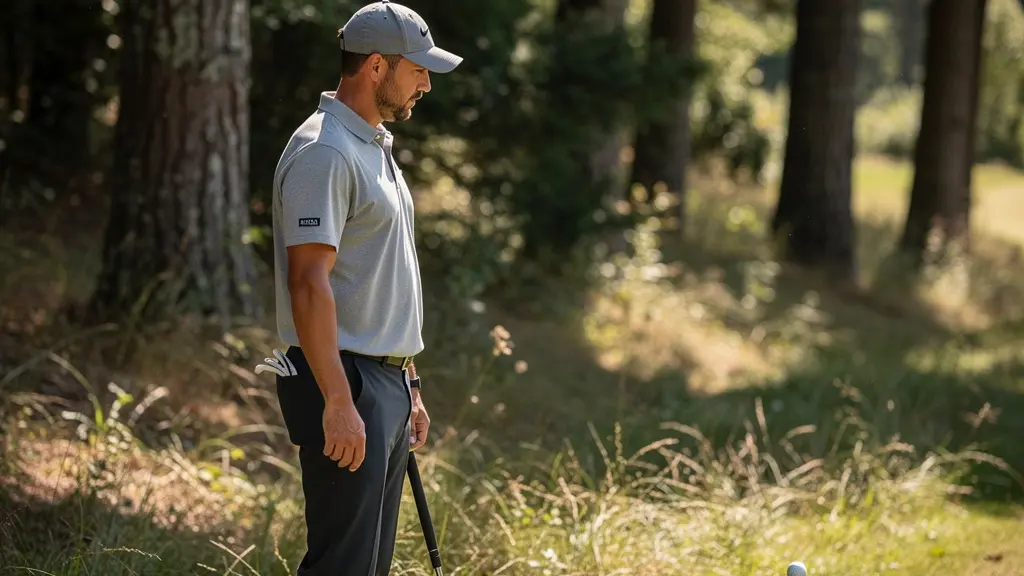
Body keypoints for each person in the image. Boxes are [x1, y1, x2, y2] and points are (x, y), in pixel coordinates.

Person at [262, 2, 462, 574]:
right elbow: (308, 283)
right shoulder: (325, 152)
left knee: (368, 566)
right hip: (343, 380)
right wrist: (338, 401)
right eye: (417, 69)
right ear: (376, 66)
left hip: (382, 381)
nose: (426, 83)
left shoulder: (370, 144)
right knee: (343, 566)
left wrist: (408, 382)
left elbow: (377, 275)